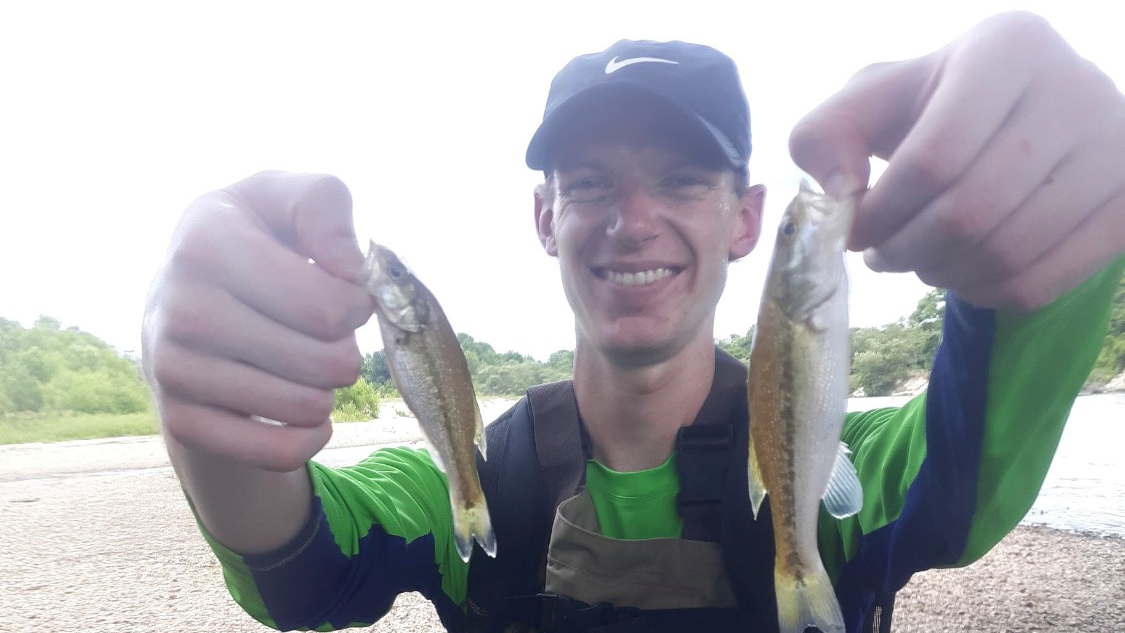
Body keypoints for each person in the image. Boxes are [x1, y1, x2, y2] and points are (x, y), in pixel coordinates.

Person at [142, 10, 1124, 633]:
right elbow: (296, 576)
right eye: (591, 183)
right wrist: (212, 404)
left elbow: (968, 473)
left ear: (746, 218)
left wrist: (1063, 228)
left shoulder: (850, 470)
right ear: (544, 217)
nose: (631, 219)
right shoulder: (460, 483)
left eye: (682, 180)